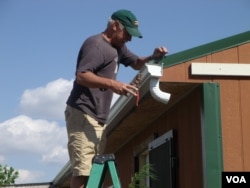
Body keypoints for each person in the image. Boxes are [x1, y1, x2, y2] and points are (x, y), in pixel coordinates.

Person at [65, 9, 168, 188]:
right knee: (83, 171)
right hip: (83, 113)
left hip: (98, 118)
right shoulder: (96, 45)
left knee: (93, 170)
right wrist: (114, 84)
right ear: (114, 26)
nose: (129, 38)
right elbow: (82, 76)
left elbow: (136, 63)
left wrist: (152, 57)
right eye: (127, 33)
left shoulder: (118, 48)